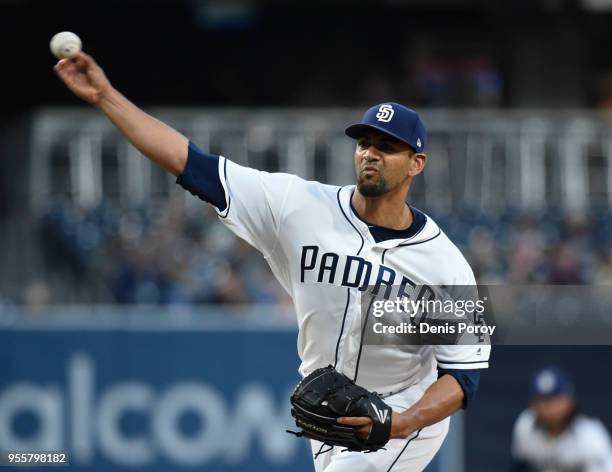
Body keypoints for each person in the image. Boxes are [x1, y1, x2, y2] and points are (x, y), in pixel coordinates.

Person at [53, 52, 490, 472]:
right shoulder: (297, 207)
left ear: (417, 163)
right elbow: (190, 163)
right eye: (365, 142)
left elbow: (462, 375)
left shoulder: (443, 265)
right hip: (332, 409)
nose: (370, 153)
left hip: (404, 407)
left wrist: (403, 422)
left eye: (388, 147)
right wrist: (107, 97)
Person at [512, 367, 612, 472]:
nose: (548, 407)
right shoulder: (526, 426)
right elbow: (520, 465)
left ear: (570, 400)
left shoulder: (590, 436)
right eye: (542, 400)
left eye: (555, 399)